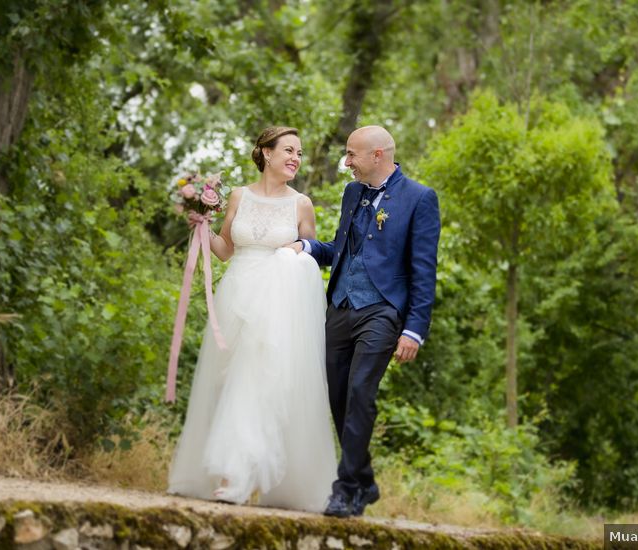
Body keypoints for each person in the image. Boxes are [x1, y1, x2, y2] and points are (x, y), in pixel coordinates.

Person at [167, 127, 337, 513]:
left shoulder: (302, 204)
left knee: (256, 381)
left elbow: (313, 253)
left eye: (300, 152)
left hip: (279, 302)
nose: (296, 157)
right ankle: (232, 472)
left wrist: (297, 250)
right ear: (266, 153)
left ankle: (236, 477)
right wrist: (202, 226)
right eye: (289, 150)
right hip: (237, 294)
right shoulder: (240, 196)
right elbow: (226, 249)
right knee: (228, 381)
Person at [288, 125, 441, 518]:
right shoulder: (352, 193)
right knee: (337, 394)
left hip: (383, 310)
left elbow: (423, 270)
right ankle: (365, 480)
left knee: (360, 392)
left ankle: (346, 489)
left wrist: (414, 329)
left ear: (377, 155)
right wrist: (305, 247)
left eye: (352, 154)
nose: (347, 161)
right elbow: (343, 251)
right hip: (339, 306)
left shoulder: (420, 198)